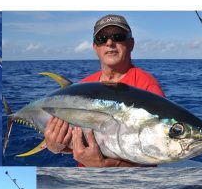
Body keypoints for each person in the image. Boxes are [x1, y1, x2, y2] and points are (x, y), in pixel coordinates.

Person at [44, 14, 166, 167]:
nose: (110, 43)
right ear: (95, 47)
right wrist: (56, 146)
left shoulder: (147, 86)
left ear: (131, 43)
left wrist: (105, 165)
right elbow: (76, 142)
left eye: (118, 37)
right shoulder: (84, 85)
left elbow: (152, 154)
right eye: (102, 38)